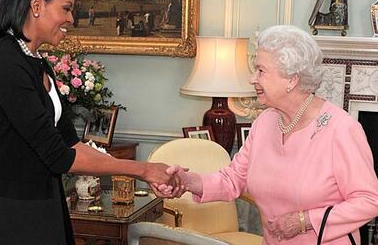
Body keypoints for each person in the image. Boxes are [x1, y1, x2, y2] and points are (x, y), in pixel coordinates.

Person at [0, 0, 174, 245]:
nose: (71, 19)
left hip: (41, 202)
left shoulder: (37, 60)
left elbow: (70, 143)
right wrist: (142, 169)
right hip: (7, 212)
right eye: (66, 8)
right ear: (37, 6)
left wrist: (147, 170)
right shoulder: (3, 62)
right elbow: (60, 157)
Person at [152, 25, 378, 244]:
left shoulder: (340, 129)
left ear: (292, 79)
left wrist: (305, 220)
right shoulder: (265, 122)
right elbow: (233, 179)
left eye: (261, 70)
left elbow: (369, 201)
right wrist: (189, 181)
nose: (253, 79)